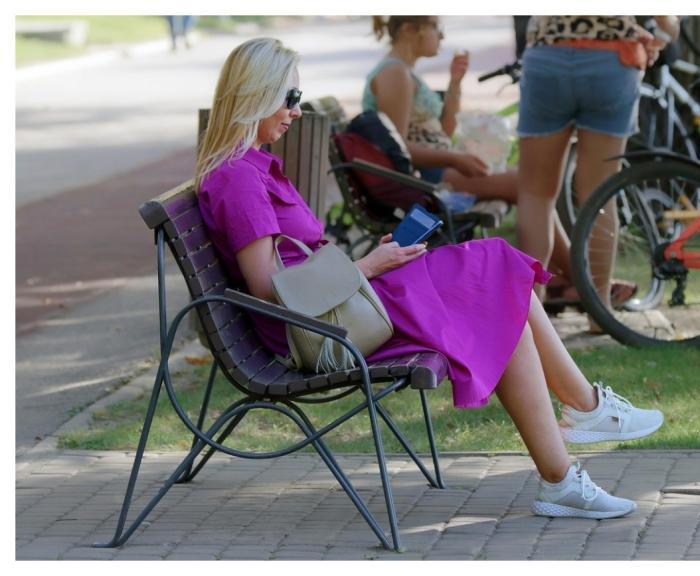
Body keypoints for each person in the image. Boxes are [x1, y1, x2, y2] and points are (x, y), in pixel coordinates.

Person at [197, 38, 664, 519]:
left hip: (343, 304)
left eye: (299, 98)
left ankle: (567, 468)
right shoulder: (239, 178)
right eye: (290, 98)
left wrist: (369, 263)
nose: (296, 111)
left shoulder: (252, 167)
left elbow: (296, 270)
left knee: (499, 291)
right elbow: (269, 290)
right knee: (495, 269)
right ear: (256, 93)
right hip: (323, 328)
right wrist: (365, 268)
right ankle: (586, 415)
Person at [364, 16, 612, 315]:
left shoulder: (405, 72)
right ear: (408, 30)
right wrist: (456, 159)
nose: (441, 36)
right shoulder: (394, 74)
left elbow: (440, 133)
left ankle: (576, 281)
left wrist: (454, 85)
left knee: (533, 188)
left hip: (436, 169)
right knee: (529, 186)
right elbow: (401, 149)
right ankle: (584, 284)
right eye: (434, 27)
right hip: (427, 179)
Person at [515, 16, 680, 331]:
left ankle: (529, 317)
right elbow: (668, 22)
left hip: (548, 53)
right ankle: (599, 312)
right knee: (600, 195)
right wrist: (657, 37)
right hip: (612, 57)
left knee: (536, 195)